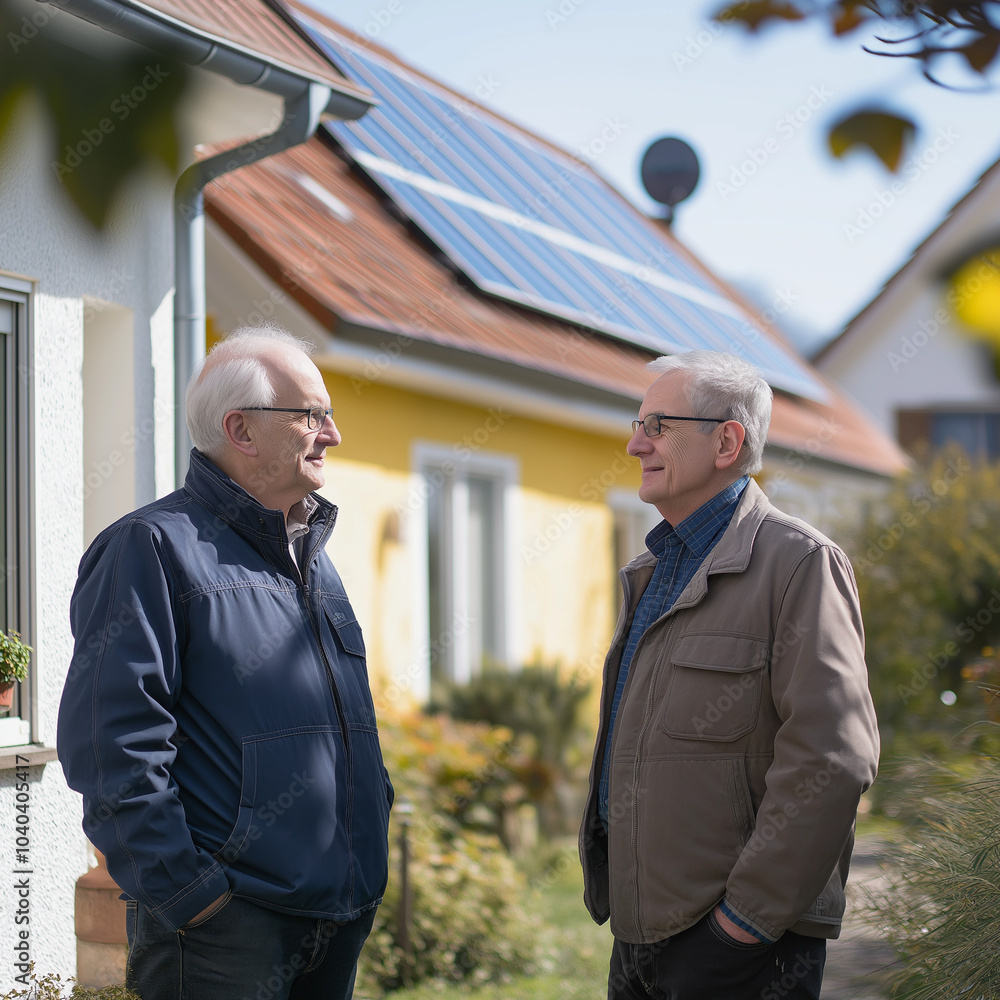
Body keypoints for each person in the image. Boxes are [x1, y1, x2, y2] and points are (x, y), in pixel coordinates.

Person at [58, 327, 392, 1000]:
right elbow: (110, 744)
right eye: (312, 415)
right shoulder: (148, 548)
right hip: (223, 933)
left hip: (336, 918)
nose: (331, 434)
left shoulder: (312, 560)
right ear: (242, 430)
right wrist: (189, 897)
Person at [579, 351, 879, 1000]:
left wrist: (740, 926)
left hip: (744, 952)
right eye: (638, 424)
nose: (634, 444)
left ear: (726, 440)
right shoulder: (650, 573)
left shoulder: (798, 565)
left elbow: (833, 758)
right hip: (637, 940)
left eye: (657, 426)